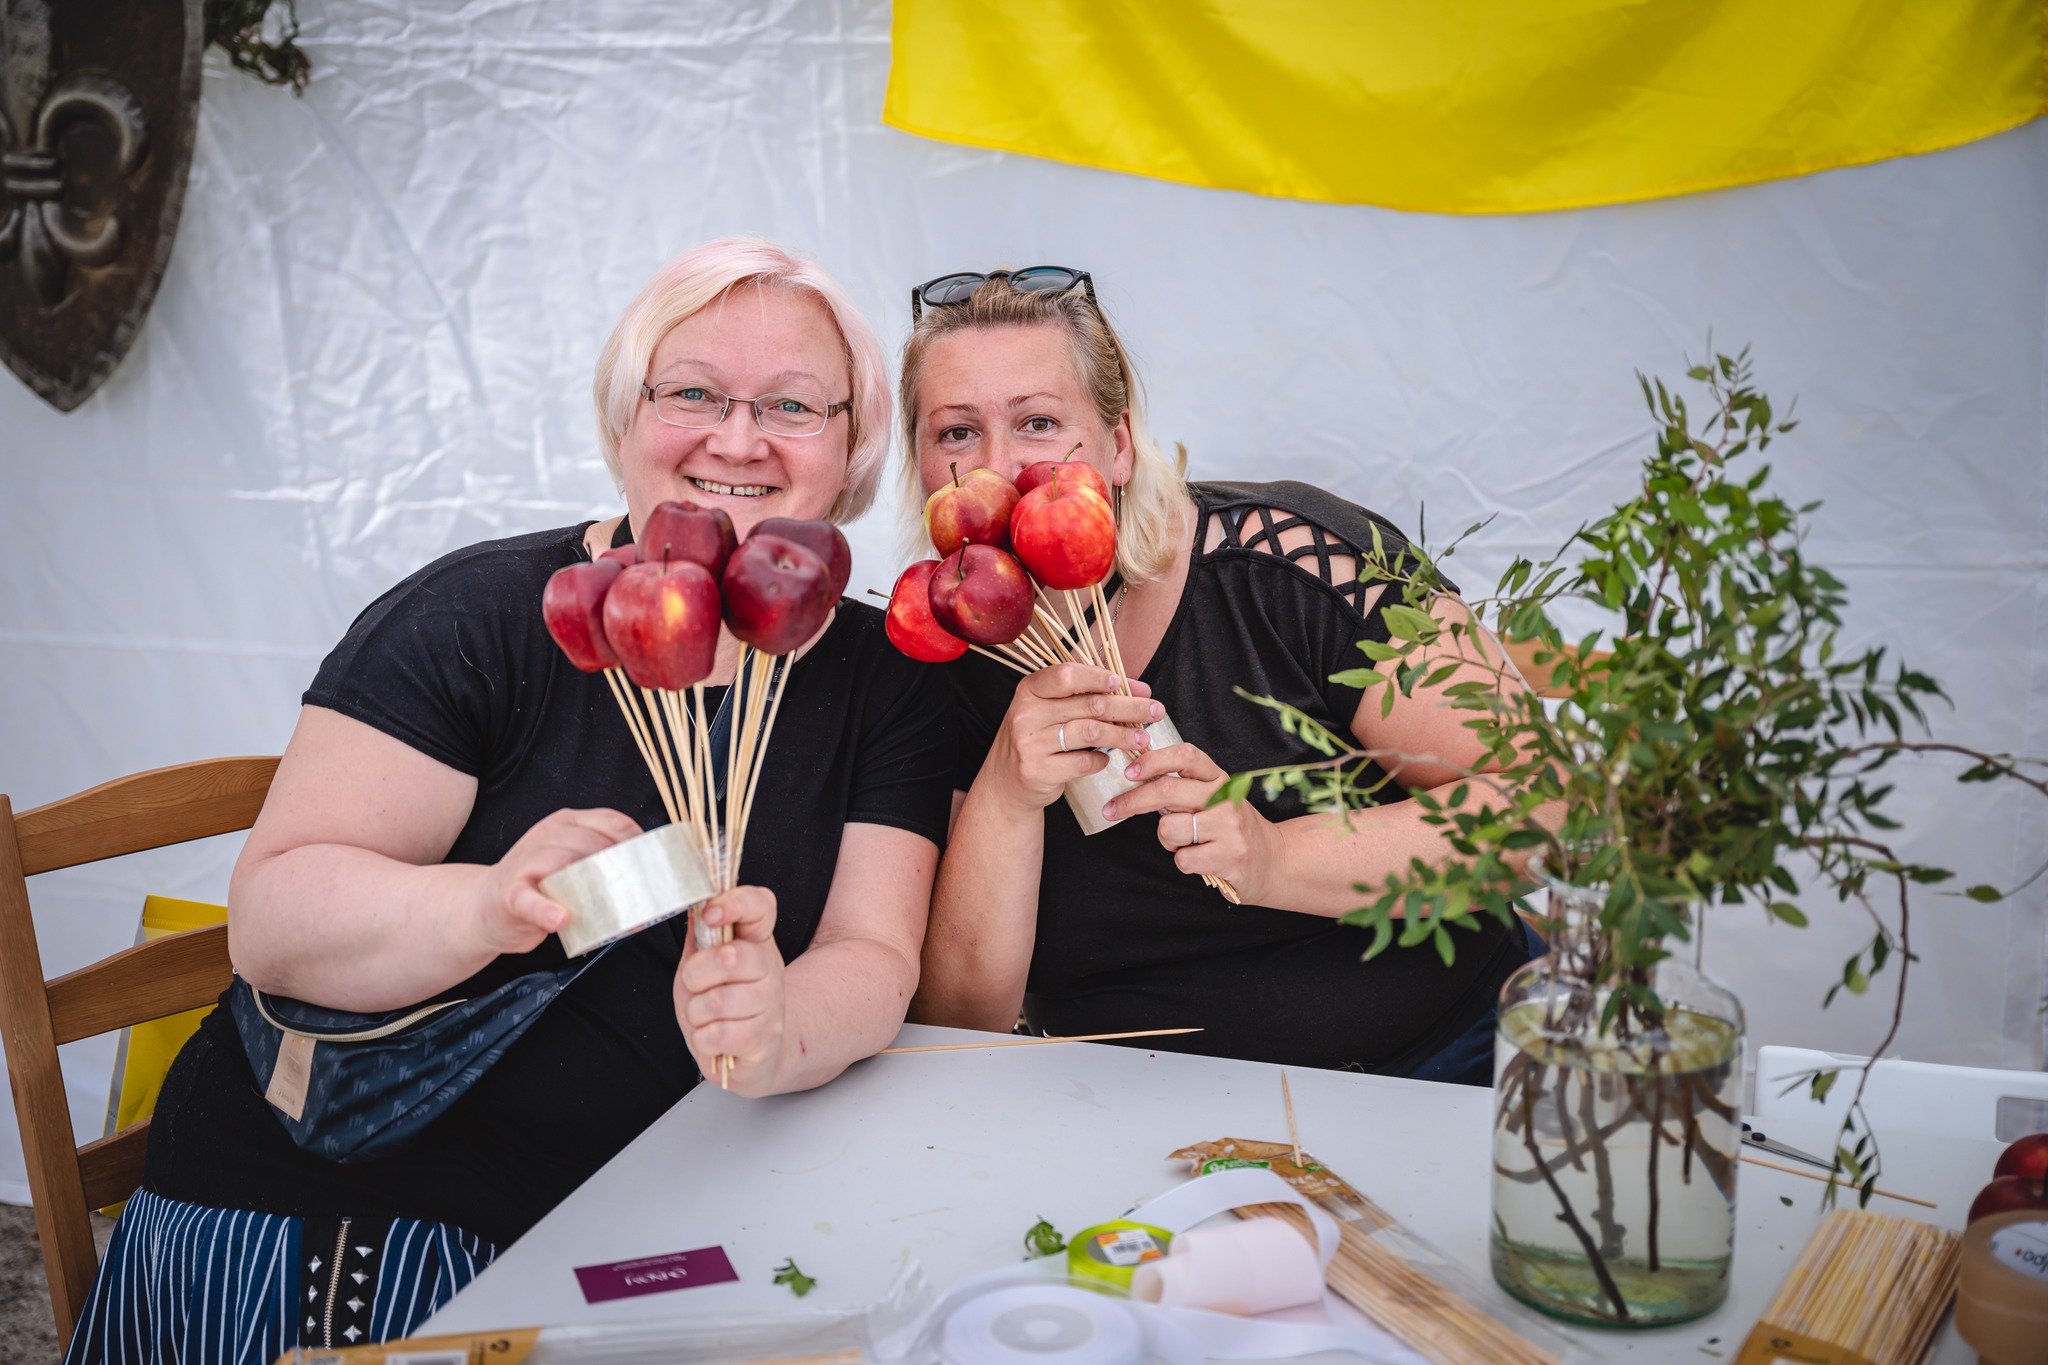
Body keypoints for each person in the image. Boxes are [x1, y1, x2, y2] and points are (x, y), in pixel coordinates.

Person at [66, 239, 951, 1361]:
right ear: (625, 418)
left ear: (853, 444)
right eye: (690, 394)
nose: (737, 440)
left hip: (670, 1210)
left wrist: (779, 1029)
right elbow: (273, 922)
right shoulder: (480, 619)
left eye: (790, 405)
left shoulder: (883, 676)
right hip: (358, 1203)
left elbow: (874, 951)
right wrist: (486, 904)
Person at [903, 267, 1535, 1080]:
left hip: (1444, 1061)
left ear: (1119, 446)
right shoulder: (933, 655)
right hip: (1122, 1108)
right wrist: (1006, 791)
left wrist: (1274, 857)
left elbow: (1543, 808)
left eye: (1038, 422)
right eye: (957, 433)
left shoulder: (1293, 562)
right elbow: (959, 1024)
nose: (997, 466)